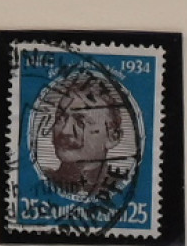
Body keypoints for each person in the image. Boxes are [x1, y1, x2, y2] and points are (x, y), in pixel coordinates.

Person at [40, 71, 136, 199]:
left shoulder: (122, 187)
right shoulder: (42, 181)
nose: (65, 131)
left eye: (81, 121)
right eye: (60, 118)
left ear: (113, 137)